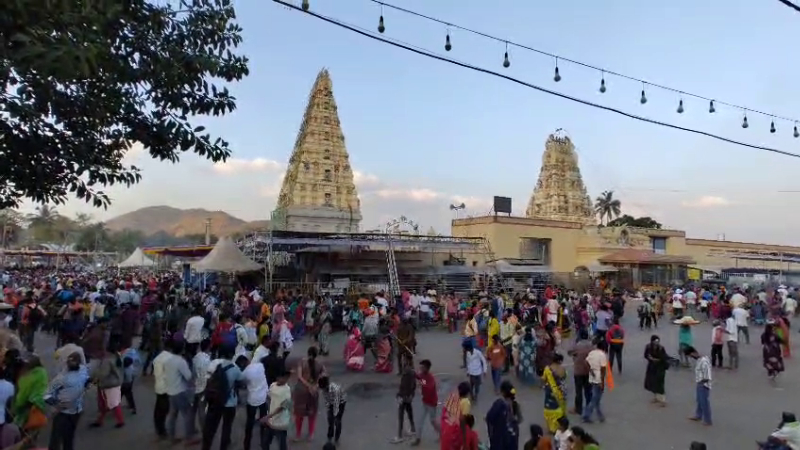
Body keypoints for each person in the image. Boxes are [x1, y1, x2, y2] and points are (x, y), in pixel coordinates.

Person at [44, 352, 89, 450]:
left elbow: (87, 380)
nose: (72, 364)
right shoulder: (61, 378)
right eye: (70, 362)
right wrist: (57, 404)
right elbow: (46, 395)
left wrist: (87, 385)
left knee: (69, 438)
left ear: (79, 363)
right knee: (56, 439)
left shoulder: (83, 370)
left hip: (77, 411)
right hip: (62, 413)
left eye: (74, 362)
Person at [202, 344, 243, 450]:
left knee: (211, 427)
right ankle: (223, 447)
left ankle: (206, 446)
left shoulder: (213, 364)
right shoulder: (235, 368)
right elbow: (241, 382)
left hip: (215, 400)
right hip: (229, 403)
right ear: (232, 354)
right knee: (226, 427)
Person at [90, 340, 125, 429]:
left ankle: (118, 421)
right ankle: (102, 420)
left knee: (108, 404)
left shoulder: (107, 360)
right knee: (111, 403)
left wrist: (93, 379)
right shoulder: (117, 357)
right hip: (115, 383)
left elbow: (103, 373)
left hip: (107, 384)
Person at [293, 346, 325, 441]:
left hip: (301, 391)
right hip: (313, 392)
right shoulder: (320, 364)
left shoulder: (302, 362)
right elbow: (323, 376)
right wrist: (314, 386)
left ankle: (298, 435)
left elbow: (299, 376)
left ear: (308, 353)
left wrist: (307, 385)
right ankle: (311, 435)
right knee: (312, 414)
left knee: (299, 414)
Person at [241, 353, 268, 450]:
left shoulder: (245, 373)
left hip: (252, 399)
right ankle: (264, 443)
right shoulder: (260, 365)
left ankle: (247, 445)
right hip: (263, 397)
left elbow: (243, 384)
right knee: (264, 421)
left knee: (250, 422)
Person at [485, 380, 521, 450]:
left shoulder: (499, 404)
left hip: (500, 439)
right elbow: (519, 419)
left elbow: (489, 418)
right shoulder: (515, 404)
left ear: (502, 392)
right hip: (512, 437)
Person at [261, 369, 291, 450]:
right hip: (270, 420)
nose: (284, 380)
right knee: (265, 443)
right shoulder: (273, 385)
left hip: (280, 423)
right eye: (283, 377)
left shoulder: (287, 391)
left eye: (286, 378)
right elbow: (269, 398)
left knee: (282, 445)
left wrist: (268, 416)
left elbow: (282, 407)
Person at [411, 359, 439, 446]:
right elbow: (419, 377)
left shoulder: (430, 378)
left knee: (433, 421)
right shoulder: (422, 375)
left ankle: (442, 433)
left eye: (422, 367)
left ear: (427, 368)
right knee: (419, 421)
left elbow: (429, 387)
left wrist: (421, 384)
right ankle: (418, 438)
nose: (421, 368)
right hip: (425, 402)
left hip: (431, 403)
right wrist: (412, 373)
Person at [684, 345, 712, 426]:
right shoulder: (699, 360)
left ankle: (708, 420)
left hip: (704, 384)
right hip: (699, 383)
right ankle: (698, 415)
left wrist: (701, 383)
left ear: (693, 353)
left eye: (690, 355)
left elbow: (707, 376)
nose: (691, 357)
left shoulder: (704, 362)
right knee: (699, 400)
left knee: (704, 402)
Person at [439, 382, 471, 450]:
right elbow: (463, 420)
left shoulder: (452, 395)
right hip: (454, 431)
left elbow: (445, 409)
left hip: (445, 426)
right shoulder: (465, 402)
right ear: (467, 394)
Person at [581, 340, 607, 424]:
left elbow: (585, 362)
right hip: (598, 378)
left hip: (592, 377)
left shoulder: (592, 353)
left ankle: (600, 416)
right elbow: (603, 369)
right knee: (595, 398)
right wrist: (602, 382)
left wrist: (590, 370)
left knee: (596, 398)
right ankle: (586, 415)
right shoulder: (602, 355)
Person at [568, 329, 592, 416]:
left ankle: (578, 409)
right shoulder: (591, 345)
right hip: (588, 371)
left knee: (579, 391)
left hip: (578, 371)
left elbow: (569, 352)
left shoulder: (577, 345)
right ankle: (589, 407)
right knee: (588, 391)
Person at [391, 364, 417, 444]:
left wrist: (399, 395)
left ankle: (399, 436)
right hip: (409, 397)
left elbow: (403, 387)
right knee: (409, 412)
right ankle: (413, 429)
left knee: (401, 415)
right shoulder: (412, 374)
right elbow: (413, 386)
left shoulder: (406, 375)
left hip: (404, 397)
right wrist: (411, 395)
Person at [318, 375, 346, 445]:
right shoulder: (323, 389)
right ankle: (330, 436)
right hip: (331, 402)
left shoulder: (335, 389)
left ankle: (337, 438)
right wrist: (328, 410)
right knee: (330, 420)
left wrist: (335, 414)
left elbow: (336, 403)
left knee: (337, 421)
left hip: (340, 402)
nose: (323, 390)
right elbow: (326, 400)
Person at [543, 352, 567, 433]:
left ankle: (552, 428)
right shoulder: (562, 369)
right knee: (560, 408)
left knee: (550, 409)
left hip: (551, 391)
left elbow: (544, 379)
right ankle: (560, 425)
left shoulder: (547, 369)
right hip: (561, 391)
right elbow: (563, 378)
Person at [643, 335, 669, 406]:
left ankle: (663, 400)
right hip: (652, 367)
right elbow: (645, 355)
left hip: (660, 367)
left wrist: (657, 360)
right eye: (655, 341)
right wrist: (650, 358)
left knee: (660, 383)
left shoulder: (661, 348)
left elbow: (664, 358)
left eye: (657, 341)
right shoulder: (648, 347)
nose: (656, 343)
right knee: (652, 382)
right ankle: (656, 397)